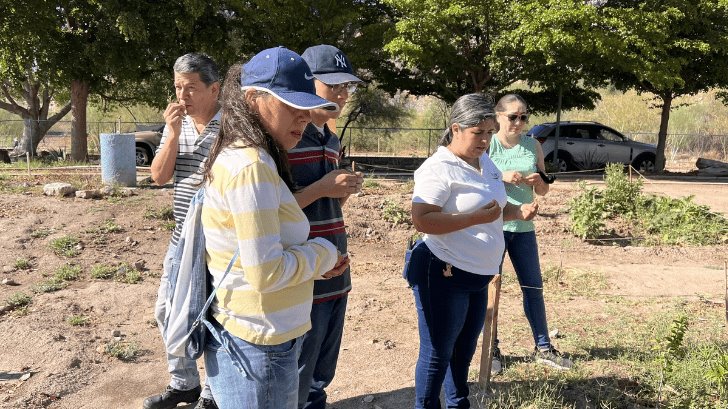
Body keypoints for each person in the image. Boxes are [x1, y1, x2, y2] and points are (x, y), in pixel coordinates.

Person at [199, 46, 348, 409]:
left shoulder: (255, 157)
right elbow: (266, 272)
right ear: (253, 100)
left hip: (262, 338)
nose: (303, 117)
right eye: (290, 106)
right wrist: (323, 253)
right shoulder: (251, 167)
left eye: (305, 105)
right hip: (259, 345)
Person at [407, 93, 538, 409]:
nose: (485, 139)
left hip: (478, 277)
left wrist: (516, 212)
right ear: (456, 129)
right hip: (443, 271)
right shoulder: (438, 168)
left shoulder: (486, 164)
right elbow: (422, 219)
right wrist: (474, 218)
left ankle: (457, 403)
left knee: (464, 350)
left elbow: (494, 209)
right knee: (438, 351)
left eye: (489, 132)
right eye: (477, 133)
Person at [145, 53, 221, 409]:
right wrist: (173, 133)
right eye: (178, 87)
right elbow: (158, 176)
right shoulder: (177, 125)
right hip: (181, 238)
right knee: (167, 309)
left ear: (214, 89)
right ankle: (184, 384)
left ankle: (212, 392)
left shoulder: (233, 125)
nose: (183, 95)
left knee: (214, 316)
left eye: (191, 87)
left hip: (218, 239)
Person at [290, 44, 364, 409]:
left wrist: (342, 191)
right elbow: (274, 210)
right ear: (307, 83)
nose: (341, 93)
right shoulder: (286, 138)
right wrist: (324, 187)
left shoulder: (330, 138)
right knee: (300, 367)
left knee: (323, 368)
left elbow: (325, 202)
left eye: (346, 86)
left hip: (337, 261)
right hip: (304, 268)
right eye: (332, 85)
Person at [487, 94, 573, 374]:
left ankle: (544, 347)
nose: (519, 122)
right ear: (498, 115)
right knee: (492, 290)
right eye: (513, 116)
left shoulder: (532, 144)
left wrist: (539, 181)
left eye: (524, 117)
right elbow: (475, 180)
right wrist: (501, 176)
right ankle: (492, 349)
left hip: (524, 229)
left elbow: (544, 189)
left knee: (533, 288)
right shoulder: (487, 144)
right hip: (494, 226)